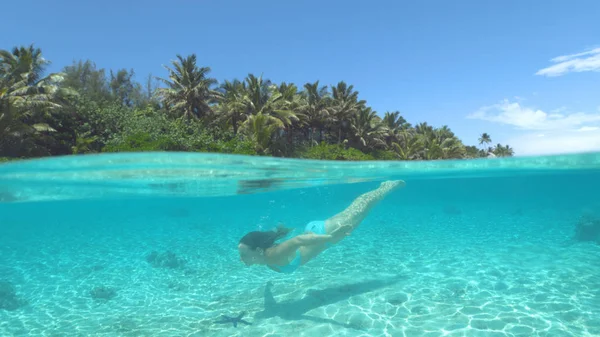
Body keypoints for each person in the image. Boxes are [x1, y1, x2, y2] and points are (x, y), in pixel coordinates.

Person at [237, 180, 406, 273]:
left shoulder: (273, 256)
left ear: (258, 250)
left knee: (362, 208)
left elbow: (297, 240)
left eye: (243, 254)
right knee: (360, 212)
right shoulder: (265, 258)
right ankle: (383, 189)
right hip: (317, 234)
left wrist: (331, 237)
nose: (241, 258)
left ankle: (386, 186)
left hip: (326, 234)